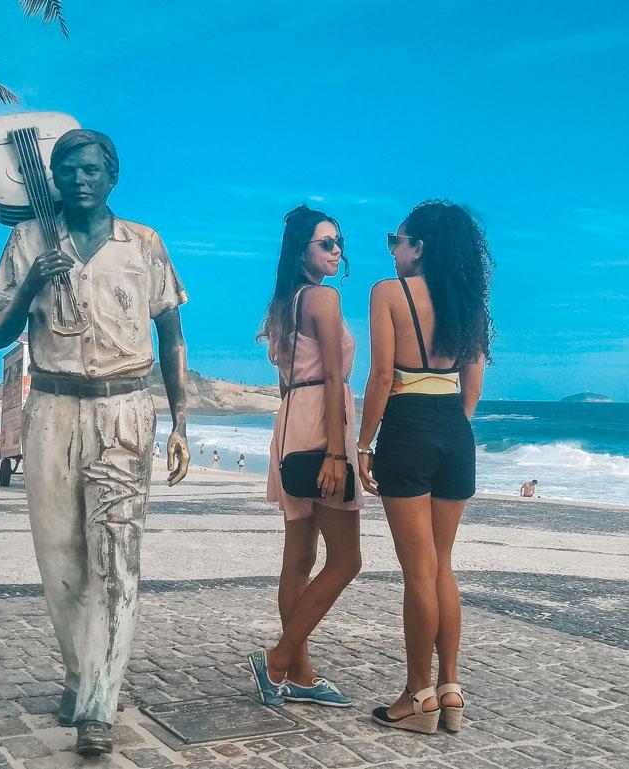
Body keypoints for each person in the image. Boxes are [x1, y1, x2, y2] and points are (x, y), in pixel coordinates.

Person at [0, 128, 190, 756]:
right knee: (61, 557)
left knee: (116, 557)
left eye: (92, 168)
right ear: (53, 179)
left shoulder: (144, 244)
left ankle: (100, 700)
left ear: (112, 175)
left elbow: (172, 334)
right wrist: (30, 288)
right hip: (51, 410)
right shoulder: (26, 241)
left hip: (125, 410)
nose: (80, 178)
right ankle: (79, 675)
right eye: (68, 169)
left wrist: (181, 420)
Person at [357, 201, 493, 734]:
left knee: (418, 571)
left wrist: (365, 444)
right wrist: (447, 429)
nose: (393, 249)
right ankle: (451, 688)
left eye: (398, 239)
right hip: (455, 431)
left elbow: (381, 380)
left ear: (420, 247)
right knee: (442, 565)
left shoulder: (388, 294)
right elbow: (474, 387)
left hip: (408, 428)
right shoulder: (469, 304)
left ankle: (418, 696)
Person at [248, 204, 363, 709]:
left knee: (298, 559)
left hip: (293, 418)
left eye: (338, 241)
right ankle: (278, 661)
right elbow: (337, 377)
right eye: (327, 243)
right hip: (322, 422)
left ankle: (300, 675)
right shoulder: (321, 296)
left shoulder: (282, 302)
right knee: (346, 560)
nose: (337, 250)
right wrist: (340, 453)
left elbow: (282, 380)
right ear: (303, 252)